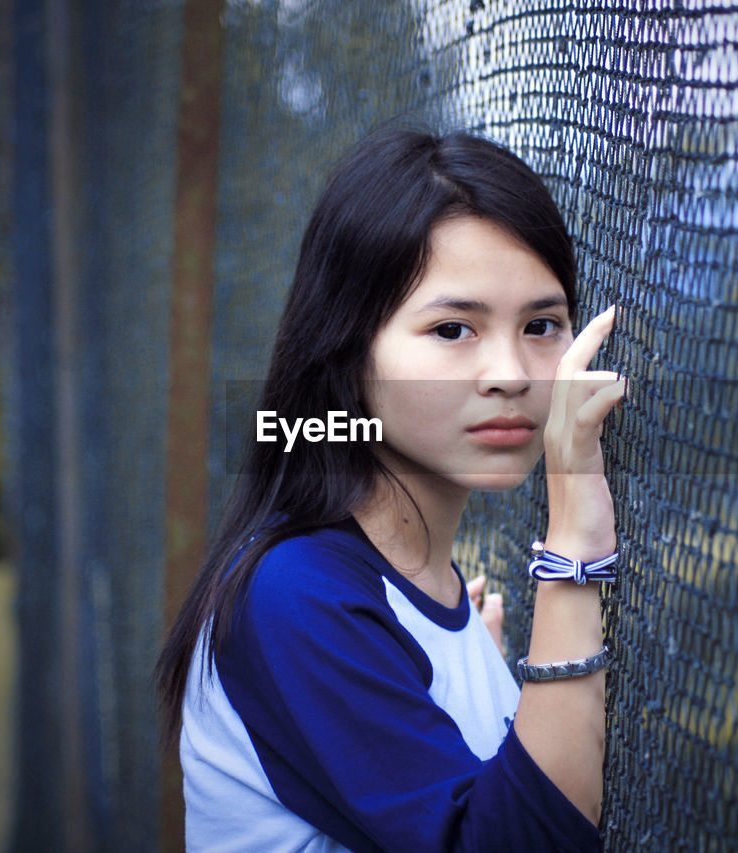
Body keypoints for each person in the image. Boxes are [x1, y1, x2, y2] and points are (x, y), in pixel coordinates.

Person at [157, 128, 624, 852]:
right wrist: (575, 545)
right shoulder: (294, 594)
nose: (511, 371)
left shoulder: (421, 589)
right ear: (349, 352)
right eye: (452, 329)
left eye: (542, 324)